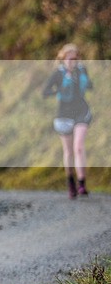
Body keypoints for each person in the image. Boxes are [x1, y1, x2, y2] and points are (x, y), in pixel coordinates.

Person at [42, 43, 93, 199]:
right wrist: (60, 90)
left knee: (78, 147)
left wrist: (83, 80)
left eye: (75, 58)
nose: (72, 61)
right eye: (69, 58)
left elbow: (90, 86)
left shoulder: (81, 71)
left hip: (81, 112)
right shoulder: (58, 74)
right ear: (63, 59)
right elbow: (45, 92)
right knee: (69, 151)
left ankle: (81, 183)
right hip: (64, 115)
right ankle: (70, 181)